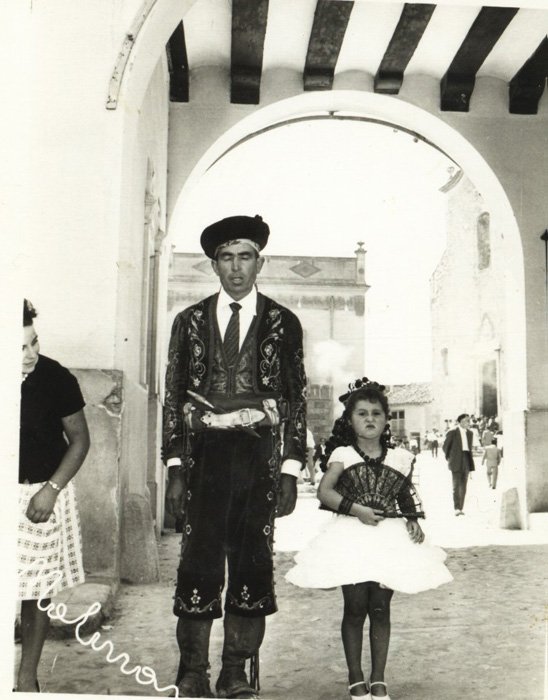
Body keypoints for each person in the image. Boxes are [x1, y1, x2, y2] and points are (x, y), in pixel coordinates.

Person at [162, 215, 307, 699]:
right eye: (226, 257)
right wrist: (175, 468)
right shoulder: (189, 322)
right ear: (214, 265)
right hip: (202, 461)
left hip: (258, 462)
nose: (236, 267)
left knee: (251, 565)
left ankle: (234, 671)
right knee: (198, 564)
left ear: (260, 262)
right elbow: (173, 397)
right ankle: (192, 672)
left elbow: (295, 399)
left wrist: (290, 470)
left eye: (245, 256)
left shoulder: (284, 323)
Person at [286, 378, 452, 699]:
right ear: (350, 420)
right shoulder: (343, 454)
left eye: (376, 413)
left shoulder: (399, 457)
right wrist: (357, 509)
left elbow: (403, 493)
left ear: (387, 419)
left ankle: (378, 679)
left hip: (388, 538)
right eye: (362, 414)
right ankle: (355, 677)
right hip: (350, 536)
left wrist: (412, 519)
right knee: (355, 607)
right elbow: (325, 492)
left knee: (380, 608)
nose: (370, 419)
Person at [17, 299, 90, 692]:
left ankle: (26, 681)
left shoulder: (55, 378)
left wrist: (51, 490)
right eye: (19, 347)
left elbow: (79, 441)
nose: (30, 354)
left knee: (35, 594)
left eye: (34, 342)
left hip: (40, 496)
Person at [442, 413, 476, 516]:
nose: (469, 423)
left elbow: (469, 448)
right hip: (456, 460)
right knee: (456, 486)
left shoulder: (470, 433)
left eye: (469, 421)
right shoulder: (452, 432)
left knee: (464, 485)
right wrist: (451, 458)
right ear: (460, 421)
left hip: (466, 459)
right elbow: (445, 447)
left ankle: (461, 508)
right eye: (467, 420)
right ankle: (456, 508)